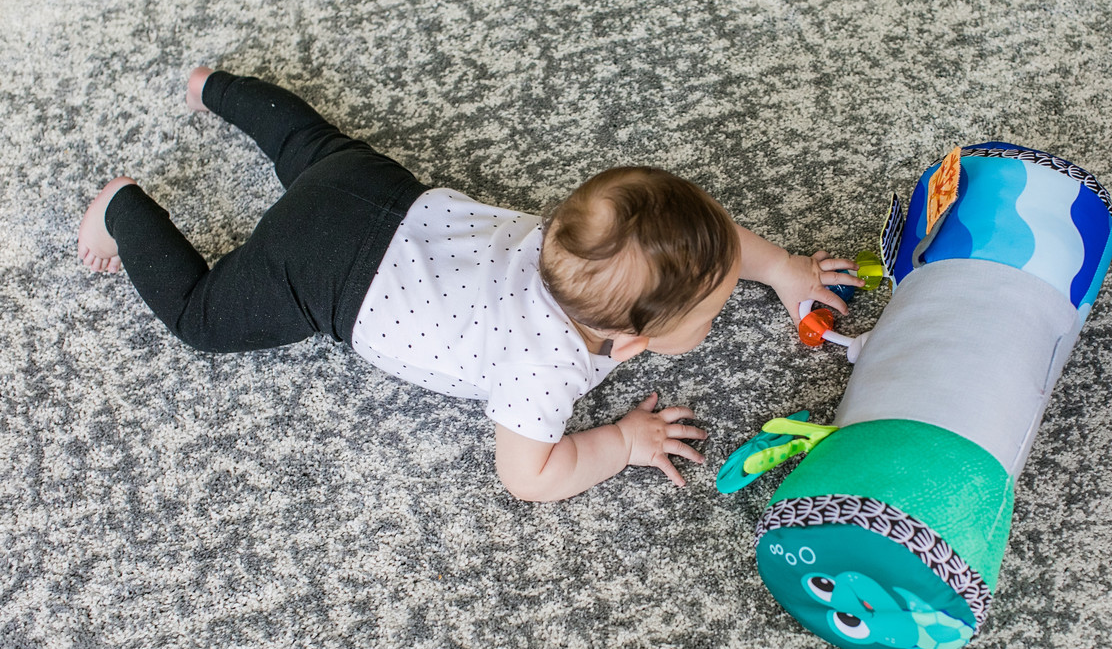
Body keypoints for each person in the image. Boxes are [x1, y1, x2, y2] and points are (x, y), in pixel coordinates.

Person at [78, 68, 863, 501]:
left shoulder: (578, 245)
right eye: (713, 311)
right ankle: (122, 208)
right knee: (199, 316)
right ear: (629, 345)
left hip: (374, 192)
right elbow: (529, 475)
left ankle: (211, 84)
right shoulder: (545, 369)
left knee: (308, 145)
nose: (723, 308)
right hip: (322, 275)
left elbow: (713, 241)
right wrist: (621, 441)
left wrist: (786, 269)